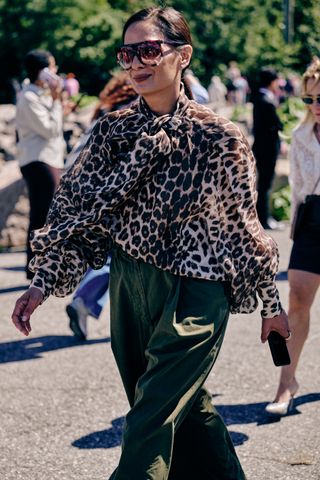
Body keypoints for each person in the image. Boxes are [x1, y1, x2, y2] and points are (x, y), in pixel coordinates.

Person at [12, 7, 290, 479]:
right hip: (129, 285)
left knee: (148, 420)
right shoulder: (112, 132)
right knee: (189, 413)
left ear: (182, 56)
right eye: (127, 53)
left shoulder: (220, 138)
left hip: (197, 292)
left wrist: (271, 304)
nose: (136, 63)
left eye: (149, 50)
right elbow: (76, 215)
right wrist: (42, 283)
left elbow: (244, 230)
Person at [265, 58, 320, 416]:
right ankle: (287, 383)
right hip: (313, 218)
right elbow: (299, 188)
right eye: (310, 99)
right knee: (297, 299)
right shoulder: (301, 135)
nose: (316, 107)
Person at [66, 72, 138, 340]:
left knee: (104, 253)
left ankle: (84, 303)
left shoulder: (103, 112)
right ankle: (85, 301)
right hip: (114, 196)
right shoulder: (133, 113)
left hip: (85, 195)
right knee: (115, 256)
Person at [15, 50, 65, 279]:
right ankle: (36, 268)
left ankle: (38, 268)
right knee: (43, 214)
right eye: (52, 67)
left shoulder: (37, 94)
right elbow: (50, 129)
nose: (55, 72)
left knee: (44, 214)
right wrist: (56, 100)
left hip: (46, 159)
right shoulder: (29, 97)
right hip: (39, 160)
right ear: (43, 70)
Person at [252, 68, 284, 230]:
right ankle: (264, 219)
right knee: (265, 184)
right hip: (267, 150)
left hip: (262, 149)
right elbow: (277, 125)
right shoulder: (266, 100)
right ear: (272, 81)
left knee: (263, 184)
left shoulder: (260, 97)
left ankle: (263, 217)